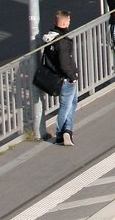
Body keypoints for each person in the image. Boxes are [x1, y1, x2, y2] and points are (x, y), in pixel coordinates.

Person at [42, 9, 79, 146]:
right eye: (69, 20)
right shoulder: (62, 42)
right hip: (66, 79)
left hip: (57, 77)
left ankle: (67, 131)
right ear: (65, 22)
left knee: (71, 104)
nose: (70, 22)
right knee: (67, 106)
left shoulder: (51, 37)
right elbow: (64, 64)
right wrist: (72, 76)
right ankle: (60, 134)